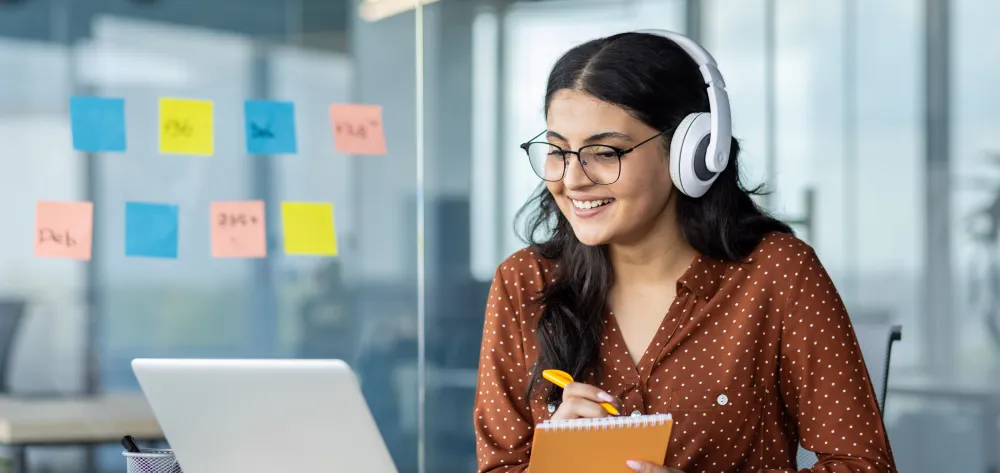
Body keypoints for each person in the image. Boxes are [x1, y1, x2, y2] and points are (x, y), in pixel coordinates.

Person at [473, 30, 897, 473]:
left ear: (689, 153)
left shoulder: (777, 274)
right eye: (558, 151)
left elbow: (864, 465)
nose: (573, 179)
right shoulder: (525, 282)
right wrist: (556, 465)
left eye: (604, 152)